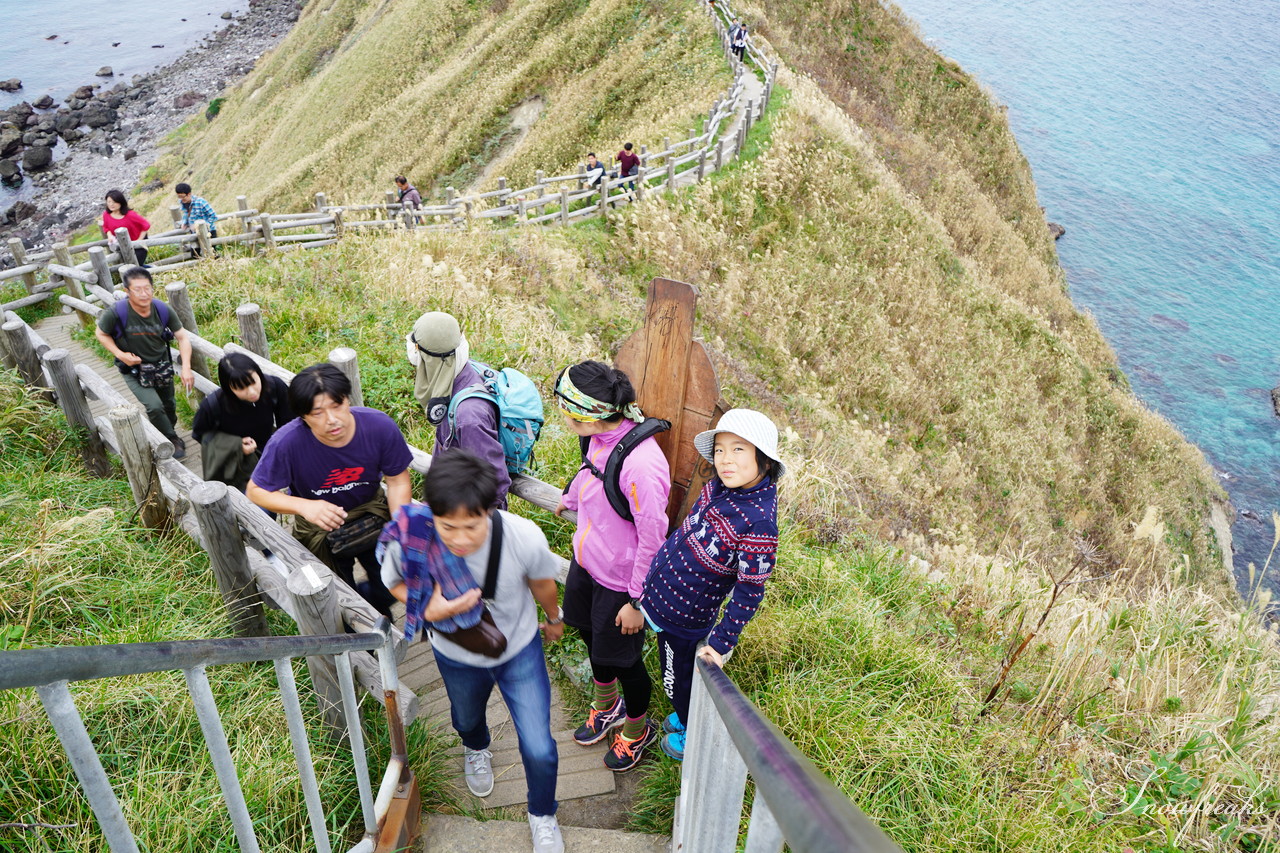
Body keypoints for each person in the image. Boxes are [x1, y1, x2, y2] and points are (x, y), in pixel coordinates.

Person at [379, 450, 566, 853]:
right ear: (431, 512)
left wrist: (554, 618)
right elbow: (394, 580)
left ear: (490, 509)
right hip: (456, 653)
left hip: (518, 650)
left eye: (472, 525)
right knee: (465, 719)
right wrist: (429, 609)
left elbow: (543, 584)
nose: (461, 539)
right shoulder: (415, 536)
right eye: (449, 527)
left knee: (540, 745)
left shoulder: (523, 535)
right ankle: (476, 748)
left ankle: (542, 814)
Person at [640, 409, 782, 761]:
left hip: (684, 617)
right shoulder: (719, 488)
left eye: (738, 450)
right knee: (679, 676)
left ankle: (692, 732)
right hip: (663, 599)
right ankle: (687, 712)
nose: (724, 460)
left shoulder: (759, 521)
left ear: (762, 460)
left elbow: (751, 590)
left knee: (677, 680)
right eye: (719, 450)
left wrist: (720, 643)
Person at [554, 361, 671, 772]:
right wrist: (570, 498)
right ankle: (607, 706)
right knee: (590, 638)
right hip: (587, 564)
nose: (564, 417)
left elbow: (654, 536)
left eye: (569, 411)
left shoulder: (642, 465)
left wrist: (637, 601)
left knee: (625, 662)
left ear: (592, 412)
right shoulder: (598, 437)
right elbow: (592, 475)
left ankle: (638, 730)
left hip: (622, 583)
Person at [246, 363, 410, 616]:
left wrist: (401, 525)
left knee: (392, 584)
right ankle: (362, 638)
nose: (332, 420)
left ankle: (371, 611)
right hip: (319, 525)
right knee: (335, 600)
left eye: (337, 405)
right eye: (317, 413)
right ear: (303, 416)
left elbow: (398, 480)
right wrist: (304, 506)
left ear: (347, 399)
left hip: (371, 512)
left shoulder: (379, 427)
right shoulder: (287, 443)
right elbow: (255, 491)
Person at [408, 311, 511, 508]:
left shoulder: (469, 416)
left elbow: (495, 482)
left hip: (465, 514)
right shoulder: (458, 373)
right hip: (448, 498)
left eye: (415, 346)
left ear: (428, 357)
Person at [93, 267, 195, 458]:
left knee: (169, 405)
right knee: (154, 406)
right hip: (134, 370)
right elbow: (101, 333)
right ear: (127, 292)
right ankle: (170, 439)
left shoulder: (162, 309)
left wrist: (187, 368)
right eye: (137, 290)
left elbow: (183, 338)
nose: (144, 294)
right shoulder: (117, 312)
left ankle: (166, 433)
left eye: (147, 288)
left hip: (161, 367)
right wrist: (120, 354)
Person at [191, 353, 294, 490]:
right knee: (257, 508)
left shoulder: (274, 386)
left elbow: (289, 423)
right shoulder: (212, 406)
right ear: (229, 388)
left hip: (269, 451)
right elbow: (200, 435)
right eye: (241, 388)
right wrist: (236, 446)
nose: (251, 392)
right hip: (238, 466)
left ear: (258, 373)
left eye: (253, 382)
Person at [101, 189, 150, 267]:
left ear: (121, 202)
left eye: (114, 202)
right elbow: (106, 227)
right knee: (130, 266)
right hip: (123, 245)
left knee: (135, 265)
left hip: (138, 244)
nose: (111, 204)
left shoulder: (130, 215)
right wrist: (109, 235)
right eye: (109, 202)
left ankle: (150, 270)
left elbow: (146, 225)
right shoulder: (106, 215)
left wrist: (138, 241)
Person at [175, 183, 218, 256]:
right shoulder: (182, 203)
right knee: (195, 255)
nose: (181, 199)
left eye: (182, 197)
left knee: (211, 253)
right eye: (179, 197)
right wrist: (184, 222)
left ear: (189, 194)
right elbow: (186, 213)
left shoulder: (201, 202)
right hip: (194, 233)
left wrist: (202, 226)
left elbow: (213, 216)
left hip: (208, 232)